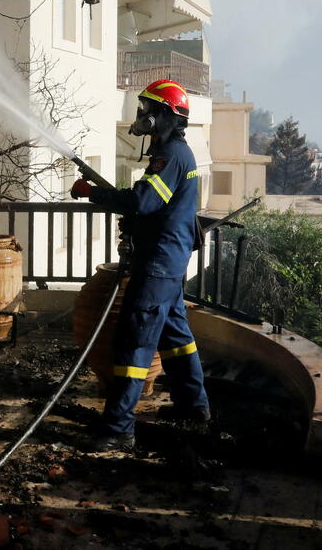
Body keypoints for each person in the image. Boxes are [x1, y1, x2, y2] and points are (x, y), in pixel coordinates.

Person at [70, 80, 210, 451]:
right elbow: (155, 207)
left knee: (134, 343)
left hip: (158, 264)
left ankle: (118, 429)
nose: (141, 116)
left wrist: (92, 193)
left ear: (166, 114)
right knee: (176, 339)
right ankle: (194, 410)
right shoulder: (175, 153)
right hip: (169, 261)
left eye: (147, 108)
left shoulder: (171, 156)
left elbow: (144, 201)